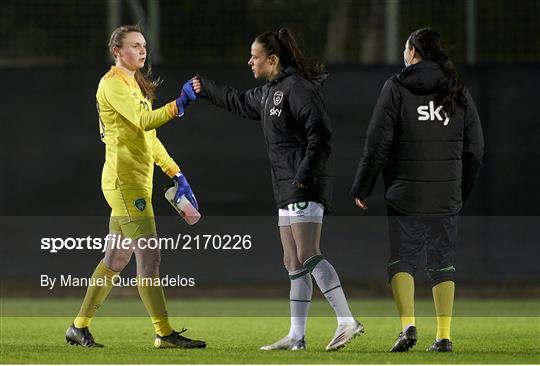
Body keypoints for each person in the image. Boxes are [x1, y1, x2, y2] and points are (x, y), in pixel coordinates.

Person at [191, 28, 363, 351]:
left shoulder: (297, 88)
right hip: (286, 186)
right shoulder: (269, 92)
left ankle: (346, 320)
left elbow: (321, 133)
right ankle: (297, 336)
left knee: (308, 253)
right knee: (292, 260)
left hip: (303, 184)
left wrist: (305, 172)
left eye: (255, 57)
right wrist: (205, 89)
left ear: (272, 59)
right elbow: (239, 101)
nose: (249, 62)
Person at [65, 25, 206, 349]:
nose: (142, 51)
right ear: (117, 51)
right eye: (134, 46)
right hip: (124, 183)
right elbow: (144, 122)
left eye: (144, 46)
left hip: (137, 183)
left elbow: (149, 138)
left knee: (115, 259)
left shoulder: (135, 85)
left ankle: (78, 326)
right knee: (150, 257)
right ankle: (164, 332)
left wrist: (177, 174)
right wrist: (179, 103)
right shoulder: (112, 84)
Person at [351, 28, 484, 352]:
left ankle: (408, 327)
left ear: (413, 52)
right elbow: (476, 149)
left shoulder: (396, 87)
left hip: (405, 194)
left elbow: (376, 143)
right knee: (442, 261)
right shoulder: (457, 89)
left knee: (402, 261)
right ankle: (443, 336)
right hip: (446, 196)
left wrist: (362, 187)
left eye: (405, 49)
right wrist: (459, 191)